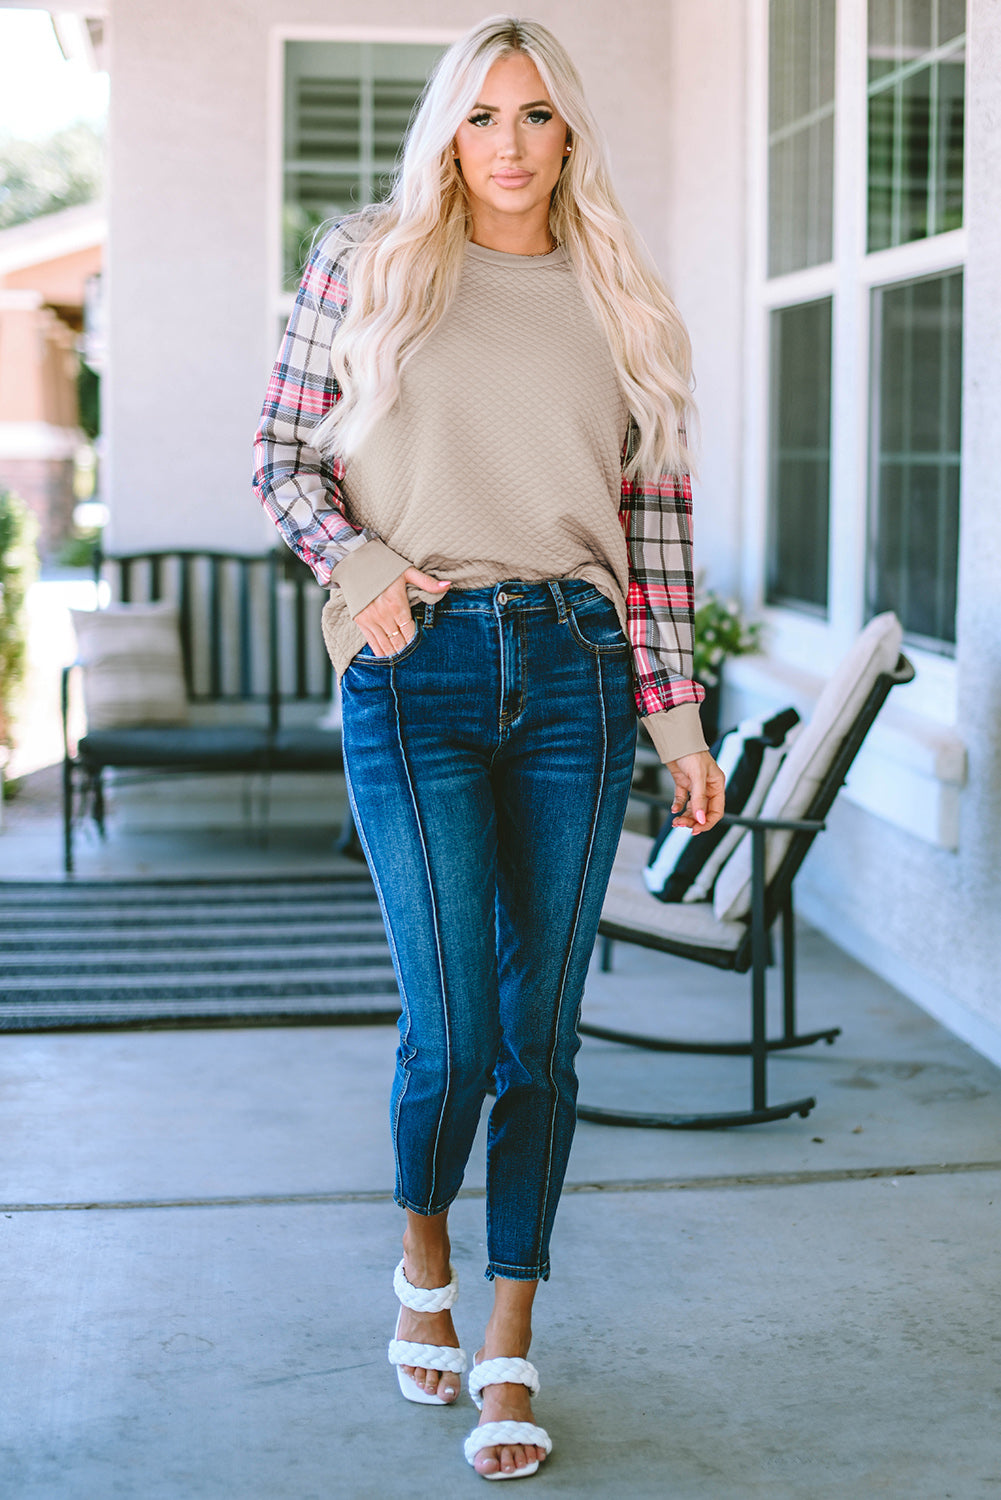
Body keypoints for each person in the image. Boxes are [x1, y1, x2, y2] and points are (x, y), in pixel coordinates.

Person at [253, 15, 725, 1481]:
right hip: (418, 665)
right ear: (445, 130)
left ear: (567, 131)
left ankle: (509, 1344)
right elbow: (279, 458)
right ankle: (421, 1267)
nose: (507, 145)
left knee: (539, 1037)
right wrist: (361, 568)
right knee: (452, 1029)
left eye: (532, 116)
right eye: (480, 117)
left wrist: (678, 716)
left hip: (580, 677)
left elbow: (652, 539)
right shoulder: (368, 261)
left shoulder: (620, 295)